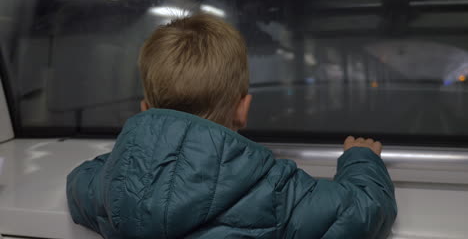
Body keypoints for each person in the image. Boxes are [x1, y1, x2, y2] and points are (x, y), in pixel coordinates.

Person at [66, 14, 397, 239]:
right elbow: (365, 210)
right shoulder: (277, 192)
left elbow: (78, 180)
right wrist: (360, 160)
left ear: (144, 110)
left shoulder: (108, 189)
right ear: (243, 109)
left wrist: (142, 146)